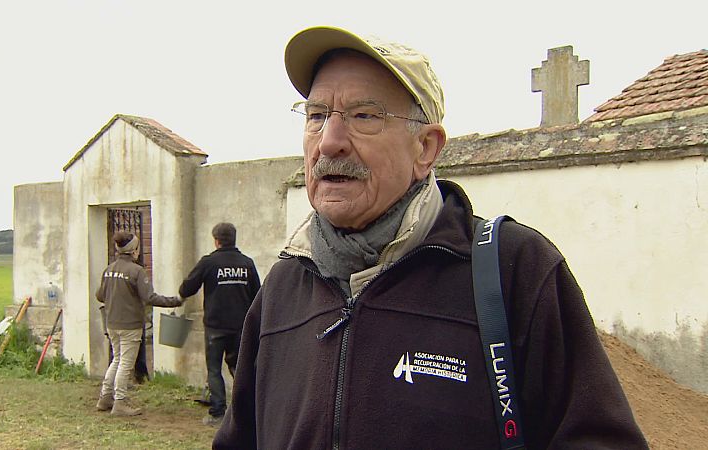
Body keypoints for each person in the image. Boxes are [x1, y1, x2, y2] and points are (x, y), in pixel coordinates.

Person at [213, 26, 649, 449]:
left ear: (425, 148)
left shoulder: (515, 270)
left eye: (364, 116)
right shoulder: (283, 285)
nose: (329, 142)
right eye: (316, 116)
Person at [178, 222, 261, 427]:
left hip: (215, 326)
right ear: (234, 238)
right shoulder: (247, 263)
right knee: (240, 368)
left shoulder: (209, 262)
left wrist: (180, 294)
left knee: (214, 369)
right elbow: (258, 295)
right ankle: (251, 409)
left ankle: (218, 413)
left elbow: (187, 288)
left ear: (216, 241)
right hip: (241, 326)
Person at [95, 231, 181, 416]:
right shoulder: (137, 271)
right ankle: (120, 402)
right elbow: (149, 297)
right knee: (126, 363)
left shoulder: (108, 270)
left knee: (117, 359)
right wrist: (174, 301)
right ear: (134, 249)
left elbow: (100, 295)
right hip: (130, 324)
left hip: (111, 322)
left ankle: (105, 397)